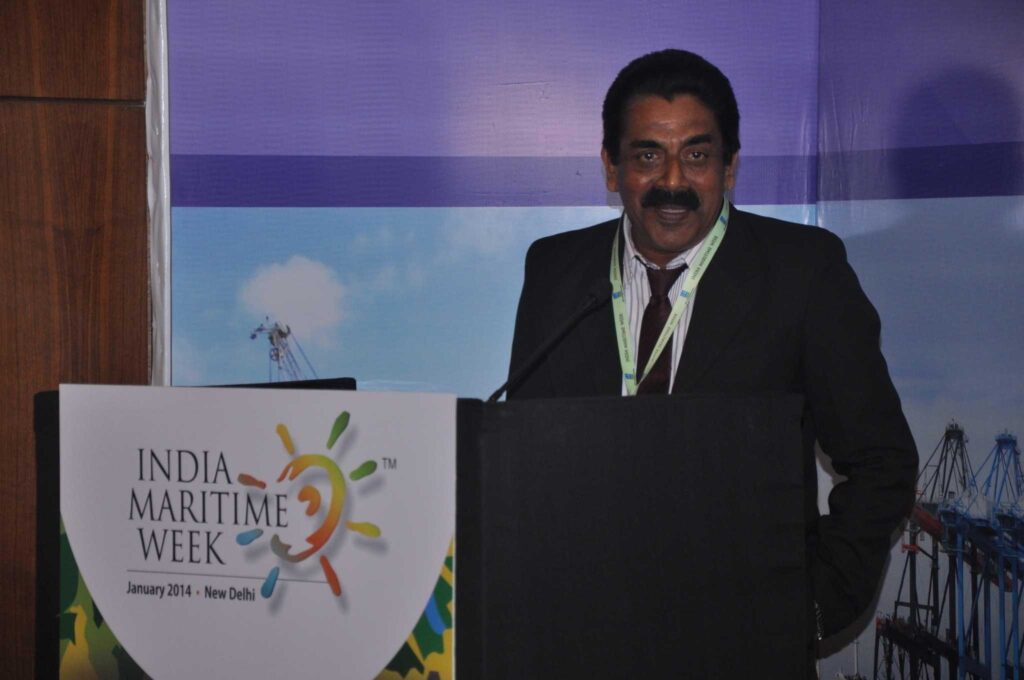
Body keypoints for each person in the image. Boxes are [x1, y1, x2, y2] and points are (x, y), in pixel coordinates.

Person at [507, 49, 918, 653]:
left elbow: (881, 461)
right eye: (648, 155)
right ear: (611, 168)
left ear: (729, 168)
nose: (672, 182)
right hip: (582, 631)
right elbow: (523, 459)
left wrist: (811, 606)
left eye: (697, 156)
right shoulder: (555, 270)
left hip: (743, 636)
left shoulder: (803, 272)